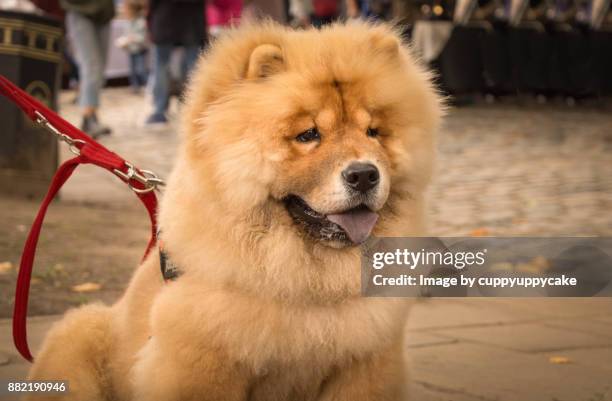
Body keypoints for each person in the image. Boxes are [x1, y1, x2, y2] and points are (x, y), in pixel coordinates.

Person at [146, 0, 207, 126]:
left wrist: (149, 22)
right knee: (194, 67)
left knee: (161, 66)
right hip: (192, 21)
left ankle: (159, 111)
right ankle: (193, 108)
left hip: (165, 18)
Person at [60, 0, 114, 138]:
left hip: (104, 14)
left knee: (99, 69)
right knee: (92, 66)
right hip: (80, 10)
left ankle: (93, 115)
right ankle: (87, 118)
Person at [116, 0, 148, 93]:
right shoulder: (127, 23)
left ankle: (147, 85)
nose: (124, 12)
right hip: (131, 50)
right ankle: (135, 87)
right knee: (132, 70)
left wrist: (132, 38)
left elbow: (143, 38)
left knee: (141, 69)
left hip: (140, 50)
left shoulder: (141, 22)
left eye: (126, 10)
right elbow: (126, 35)